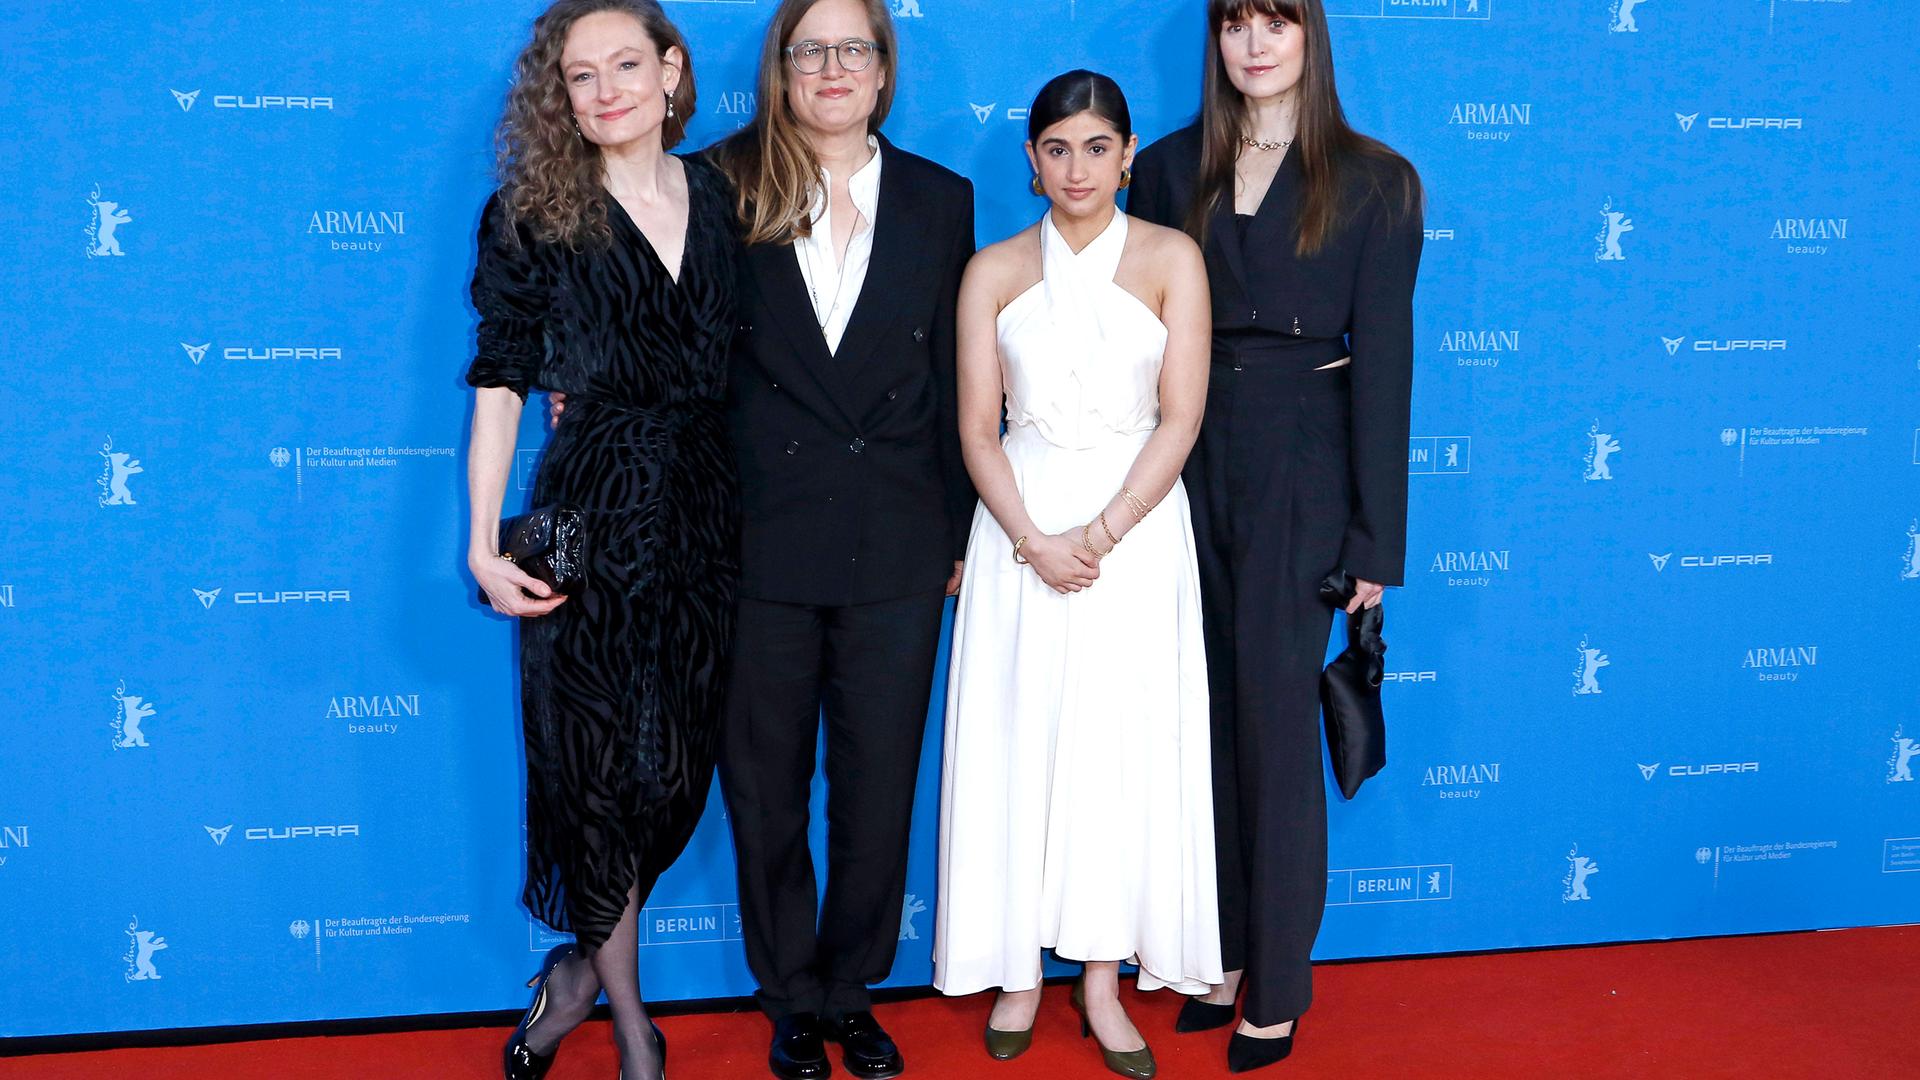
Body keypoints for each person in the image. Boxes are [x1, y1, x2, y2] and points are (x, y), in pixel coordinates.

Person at [1127, 0, 1423, 1071]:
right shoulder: (1166, 171)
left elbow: (1385, 367)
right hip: (1184, 459)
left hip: (1306, 463)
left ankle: (1281, 980)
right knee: (1199, 720)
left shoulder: (1377, 180)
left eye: (1277, 21)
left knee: (1271, 725)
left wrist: (1373, 546)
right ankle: (1224, 946)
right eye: (1235, 23)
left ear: (1311, 37)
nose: (1254, 44)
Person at [464, 4, 740, 1079]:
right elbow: (499, 384)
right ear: (560, 98)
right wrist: (486, 546)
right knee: (595, 778)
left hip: (708, 513)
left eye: (627, 64)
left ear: (670, 70)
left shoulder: (723, 196)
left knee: (672, 774)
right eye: (581, 77)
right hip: (578, 515)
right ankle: (634, 1029)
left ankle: (576, 972)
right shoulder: (532, 214)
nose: (607, 90)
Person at [933, 71, 1218, 1080]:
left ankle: (1101, 979)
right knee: (1019, 744)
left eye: (1098, 147)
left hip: (1137, 536)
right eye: (1057, 149)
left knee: (1118, 753)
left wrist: (1102, 532)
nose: (1077, 168)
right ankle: (1014, 970)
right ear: (1030, 160)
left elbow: (1182, 416)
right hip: (1020, 527)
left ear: (1130, 154)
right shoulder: (994, 270)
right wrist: (1032, 539)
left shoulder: (1174, 259)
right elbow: (975, 427)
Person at [710, 1, 974, 1077]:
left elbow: (961, 378)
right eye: (810, 48)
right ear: (782, 68)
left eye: (853, 48)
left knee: (878, 782)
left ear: (882, 69)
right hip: (756, 539)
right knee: (766, 786)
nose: (832, 67)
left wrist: (960, 527)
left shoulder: (940, 199)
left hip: (900, 536)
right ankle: (790, 997)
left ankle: (851, 988)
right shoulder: (717, 181)